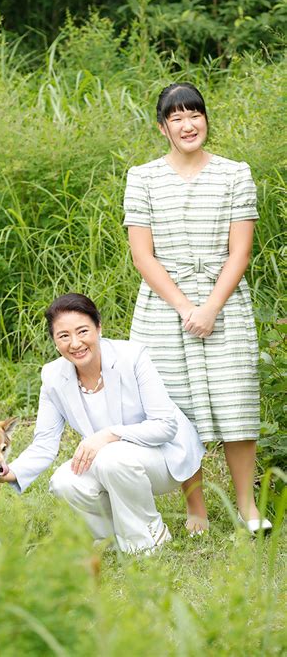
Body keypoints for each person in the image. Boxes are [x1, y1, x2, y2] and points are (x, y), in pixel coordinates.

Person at [123, 82, 272, 534]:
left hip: (225, 303)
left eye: (195, 115)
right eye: (177, 118)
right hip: (163, 308)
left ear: (206, 119)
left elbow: (240, 252)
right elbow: (142, 255)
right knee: (174, 409)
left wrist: (210, 307)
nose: (189, 125)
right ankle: (197, 510)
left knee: (237, 402)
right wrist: (186, 306)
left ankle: (248, 508)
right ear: (163, 127)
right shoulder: (143, 177)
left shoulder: (234, 173)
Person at [0, 293, 205, 554]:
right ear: (54, 340)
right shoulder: (53, 375)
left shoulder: (132, 356)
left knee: (111, 457)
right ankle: (114, 539)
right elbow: (44, 443)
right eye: (63, 336)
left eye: (82, 331)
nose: (75, 343)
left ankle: (150, 539)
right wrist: (10, 471)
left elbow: (165, 426)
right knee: (65, 481)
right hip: (113, 462)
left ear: (98, 327)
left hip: (164, 457)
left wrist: (109, 435)